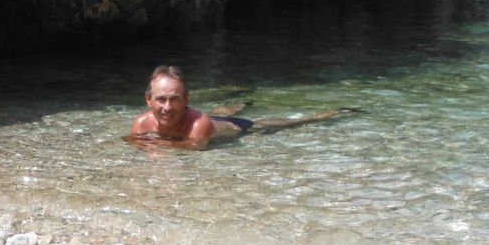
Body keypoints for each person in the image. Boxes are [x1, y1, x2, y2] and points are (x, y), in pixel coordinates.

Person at [128, 65, 353, 148]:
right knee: (218, 113)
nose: (167, 107)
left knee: (273, 125)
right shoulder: (142, 123)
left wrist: (153, 145)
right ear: (149, 100)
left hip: (238, 128)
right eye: (161, 99)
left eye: (174, 99)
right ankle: (243, 102)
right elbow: (133, 142)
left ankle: (325, 115)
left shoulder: (199, 124)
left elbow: (192, 148)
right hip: (213, 119)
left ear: (186, 99)